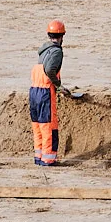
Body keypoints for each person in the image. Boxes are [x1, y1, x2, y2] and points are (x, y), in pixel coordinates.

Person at [29, 19, 68, 166]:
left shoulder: (44, 50)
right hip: (45, 93)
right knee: (48, 127)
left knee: (38, 126)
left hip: (34, 91)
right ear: (62, 36)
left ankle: (39, 157)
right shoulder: (57, 52)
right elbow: (50, 70)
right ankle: (48, 160)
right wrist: (59, 86)